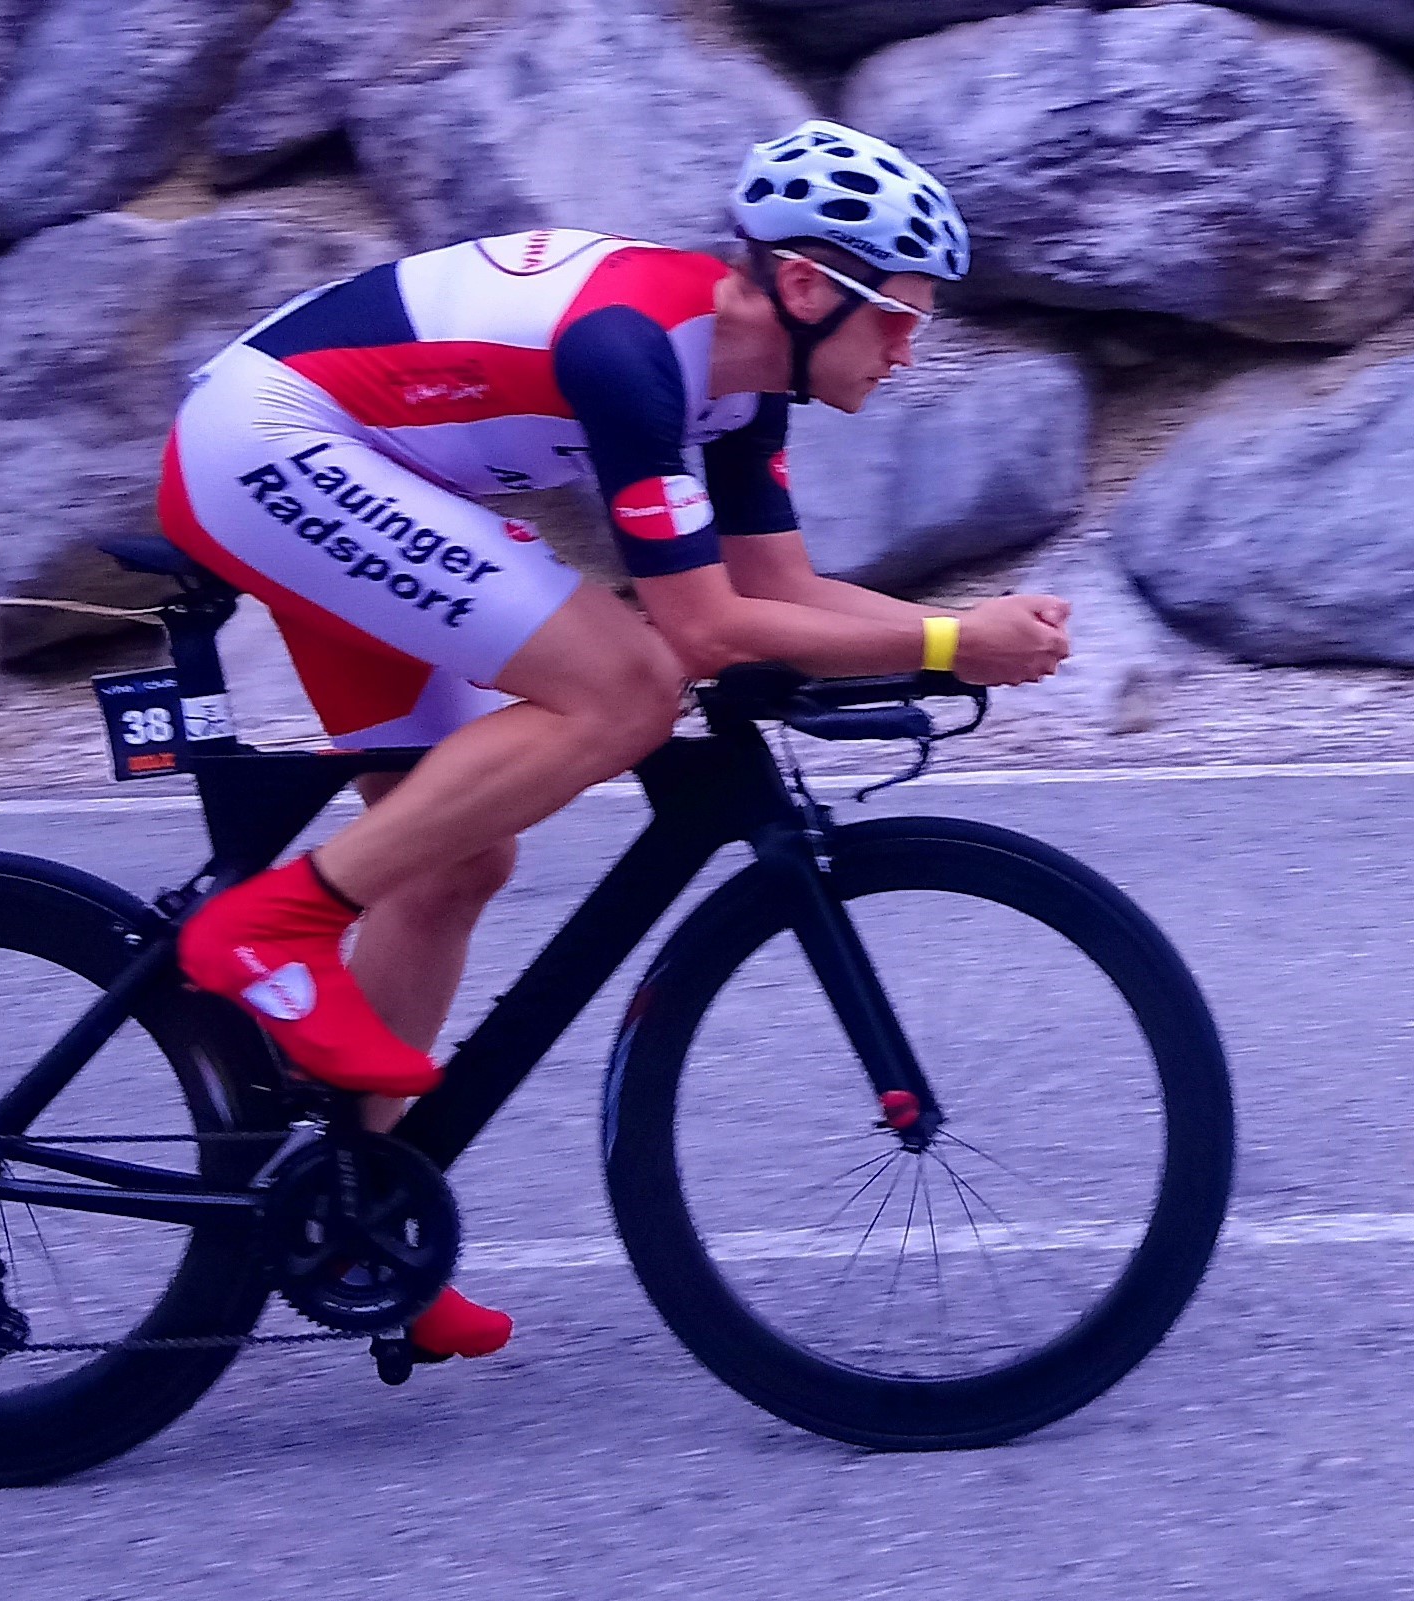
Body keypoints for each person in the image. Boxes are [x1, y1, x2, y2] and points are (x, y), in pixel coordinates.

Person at [154, 121, 1072, 1363]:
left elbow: (783, 594)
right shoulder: (634, 349)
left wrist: (958, 629)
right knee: (627, 685)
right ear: (806, 287)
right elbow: (702, 629)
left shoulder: (742, 393)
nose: (911, 351)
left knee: (451, 860)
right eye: (896, 318)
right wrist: (954, 646)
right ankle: (272, 922)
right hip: (269, 445)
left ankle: (359, 1219)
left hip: (345, 463)